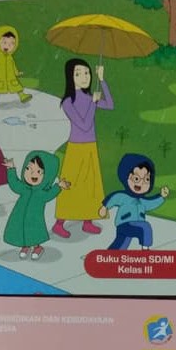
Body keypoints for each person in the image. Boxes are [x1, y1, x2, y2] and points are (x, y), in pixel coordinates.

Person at [53, 58, 113, 238]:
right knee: (70, 183)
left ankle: (88, 220)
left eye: (87, 73)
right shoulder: (68, 102)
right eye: (78, 73)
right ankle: (59, 223)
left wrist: (102, 80)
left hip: (90, 146)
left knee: (90, 184)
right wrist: (93, 103)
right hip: (76, 147)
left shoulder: (88, 97)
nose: (85, 77)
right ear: (70, 77)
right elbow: (84, 125)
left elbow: (110, 105)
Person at [2, 150, 70, 259]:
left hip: (34, 217)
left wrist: (58, 186)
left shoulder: (41, 193)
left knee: (34, 231)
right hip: (20, 214)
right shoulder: (24, 188)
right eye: (29, 169)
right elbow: (14, 183)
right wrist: (11, 169)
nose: (33, 174)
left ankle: (37, 247)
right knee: (21, 229)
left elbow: (49, 195)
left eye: (39, 172)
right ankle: (25, 246)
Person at [100, 153, 169, 250]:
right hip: (125, 224)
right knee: (145, 228)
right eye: (136, 179)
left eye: (146, 179)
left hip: (133, 225)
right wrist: (104, 207)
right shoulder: (123, 196)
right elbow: (113, 198)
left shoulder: (142, 200)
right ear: (126, 177)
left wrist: (162, 197)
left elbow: (151, 203)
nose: (141, 183)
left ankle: (109, 254)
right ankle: (145, 249)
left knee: (121, 244)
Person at [0, 25, 32, 108]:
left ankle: (22, 96)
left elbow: (13, 66)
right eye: (4, 43)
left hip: (11, 78)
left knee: (17, 87)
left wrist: (17, 73)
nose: (8, 46)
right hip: (0, 78)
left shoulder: (10, 57)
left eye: (12, 44)